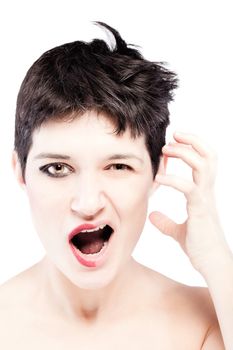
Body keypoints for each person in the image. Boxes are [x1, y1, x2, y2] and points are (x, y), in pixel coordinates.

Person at [0, 21, 232, 349]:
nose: (88, 202)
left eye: (118, 166)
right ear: (20, 171)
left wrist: (218, 260)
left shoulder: (211, 320)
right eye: (57, 168)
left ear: (156, 172)